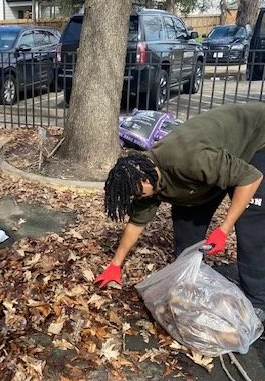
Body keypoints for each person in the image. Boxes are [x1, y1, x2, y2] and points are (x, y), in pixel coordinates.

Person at [94, 101, 265, 320]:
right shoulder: (144, 179)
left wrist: (223, 229)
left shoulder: (189, 159)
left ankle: (258, 300)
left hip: (256, 140)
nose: (140, 197)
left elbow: (250, 178)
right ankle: (192, 285)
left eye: (138, 193)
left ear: (147, 177)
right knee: (186, 224)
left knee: (252, 223)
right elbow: (136, 223)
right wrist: (115, 265)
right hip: (218, 161)